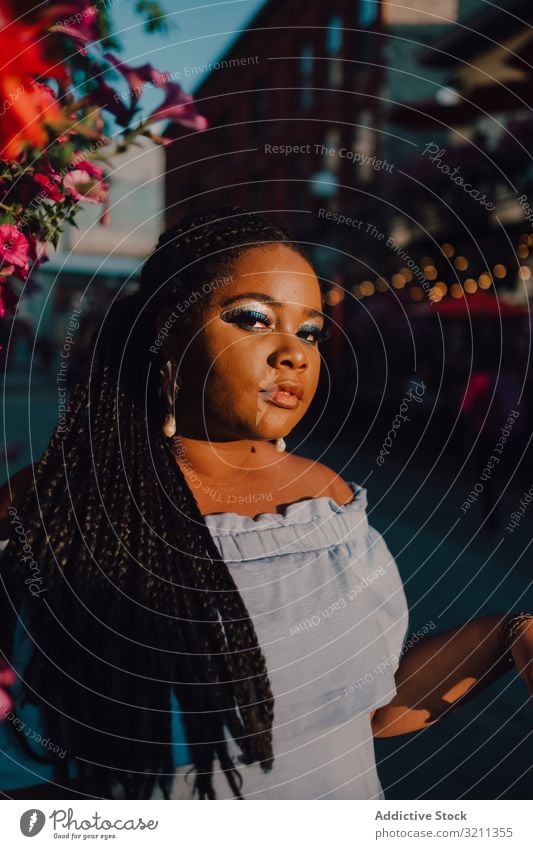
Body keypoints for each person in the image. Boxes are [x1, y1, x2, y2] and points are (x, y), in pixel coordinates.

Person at [0, 207, 532, 801]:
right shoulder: (60, 504)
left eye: (308, 332)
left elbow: (369, 714)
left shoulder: (328, 498)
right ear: (168, 329)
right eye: (254, 320)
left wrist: (510, 636)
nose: (294, 355)